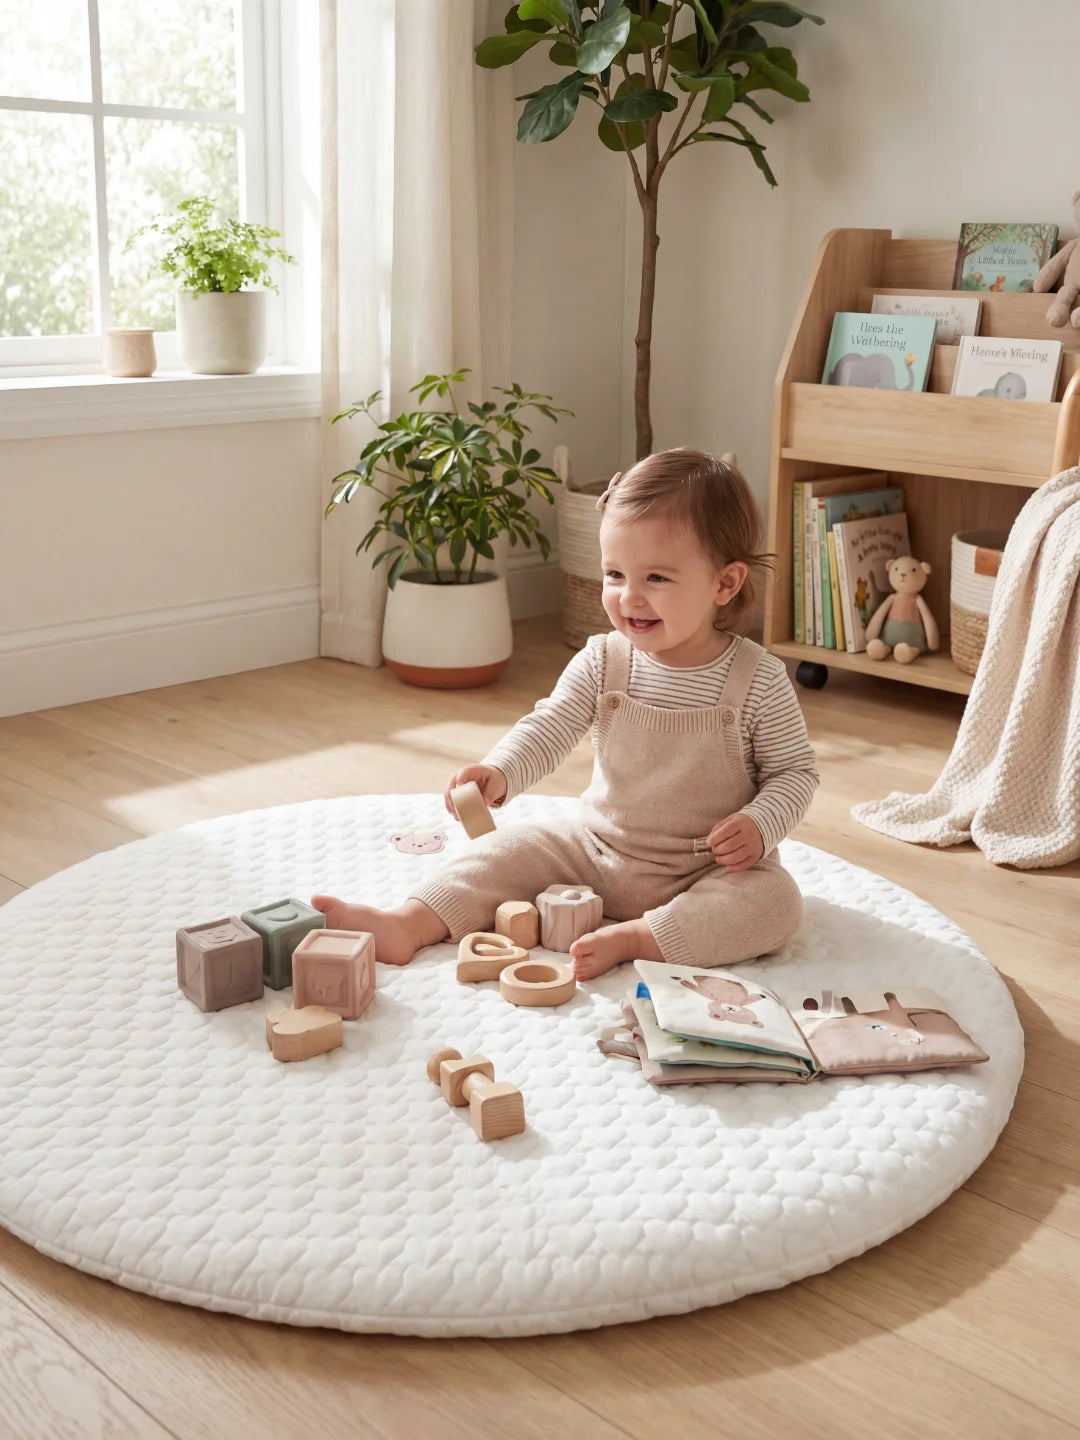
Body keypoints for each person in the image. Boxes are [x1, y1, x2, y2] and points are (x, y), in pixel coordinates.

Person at [313, 448, 819, 981]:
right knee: (511, 849)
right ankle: (409, 923)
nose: (630, 597)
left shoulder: (758, 678)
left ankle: (642, 938)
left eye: (657, 579)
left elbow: (795, 774)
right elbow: (549, 725)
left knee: (775, 901)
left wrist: (761, 825)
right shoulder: (604, 660)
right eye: (616, 573)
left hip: (705, 871)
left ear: (725, 584)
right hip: (595, 853)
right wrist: (501, 770)